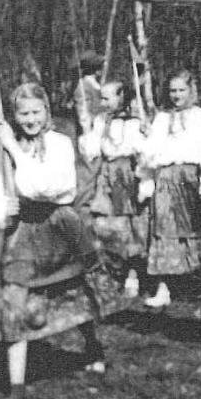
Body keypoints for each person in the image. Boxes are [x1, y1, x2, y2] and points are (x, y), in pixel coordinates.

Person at [0, 83, 118, 399]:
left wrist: (14, 150)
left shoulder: (59, 144)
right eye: (23, 113)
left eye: (36, 112)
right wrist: (2, 211)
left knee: (74, 292)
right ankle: (16, 384)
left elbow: (47, 188)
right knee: (14, 300)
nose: (30, 120)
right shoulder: (3, 148)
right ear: (14, 115)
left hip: (58, 227)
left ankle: (92, 347)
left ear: (46, 111)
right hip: (21, 233)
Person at [140, 69, 201, 307]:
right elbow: (151, 152)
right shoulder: (162, 118)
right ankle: (164, 288)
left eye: (181, 90)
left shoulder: (200, 116)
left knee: (195, 227)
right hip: (166, 180)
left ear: (191, 91)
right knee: (164, 229)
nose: (177, 95)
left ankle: (196, 282)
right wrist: (147, 149)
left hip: (191, 178)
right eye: (173, 91)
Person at [79, 80, 147, 294]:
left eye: (107, 98)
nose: (103, 102)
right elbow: (92, 151)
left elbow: (143, 152)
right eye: (102, 98)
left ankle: (133, 274)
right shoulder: (101, 120)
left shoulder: (135, 121)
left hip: (127, 174)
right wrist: (87, 129)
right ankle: (113, 270)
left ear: (122, 97)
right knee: (105, 224)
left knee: (131, 225)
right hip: (107, 174)